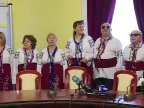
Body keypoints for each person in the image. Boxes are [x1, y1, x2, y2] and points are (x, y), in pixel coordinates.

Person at [93, 22, 122, 90]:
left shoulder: (116, 42)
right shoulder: (97, 41)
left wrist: (117, 72)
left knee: (109, 93)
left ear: (111, 29)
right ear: (100, 30)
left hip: (110, 73)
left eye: (107, 27)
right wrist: (94, 70)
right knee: (100, 93)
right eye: (103, 27)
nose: (105, 28)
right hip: (98, 73)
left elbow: (120, 57)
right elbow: (94, 56)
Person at [65, 20, 94, 88]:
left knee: (86, 84)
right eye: (79, 27)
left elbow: (93, 51)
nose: (82, 28)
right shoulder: (70, 40)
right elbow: (65, 52)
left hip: (85, 64)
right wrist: (68, 56)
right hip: (73, 64)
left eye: (82, 27)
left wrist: (87, 58)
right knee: (74, 84)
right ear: (74, 29)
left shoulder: (89, 39)